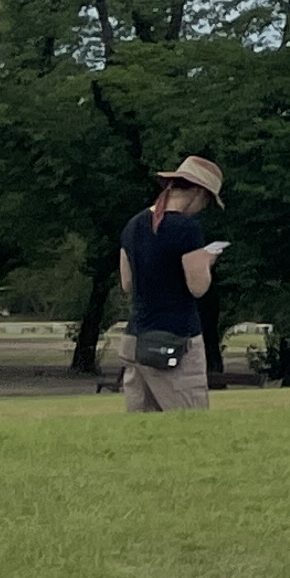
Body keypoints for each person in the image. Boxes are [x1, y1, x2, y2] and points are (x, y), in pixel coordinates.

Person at [120, 155, 230, 411]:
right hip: (176, 341)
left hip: (135, 339)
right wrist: (206, 261)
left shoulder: (134, 224)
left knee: (142, 425)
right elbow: (198, 288)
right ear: (199, 193)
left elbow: (127, 283)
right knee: (189, 422)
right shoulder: (186, 228)